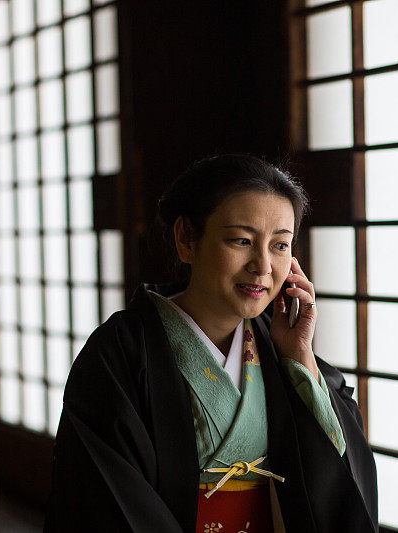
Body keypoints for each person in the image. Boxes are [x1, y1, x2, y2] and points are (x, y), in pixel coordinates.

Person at [44, 154, 378, 532]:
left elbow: (341, 478)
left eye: (280, 246)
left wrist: (301, 358)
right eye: (242, 240)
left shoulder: (279, 348)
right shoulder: (120, 352)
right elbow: (107, 499)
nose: (263, 266)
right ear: (187, 238)